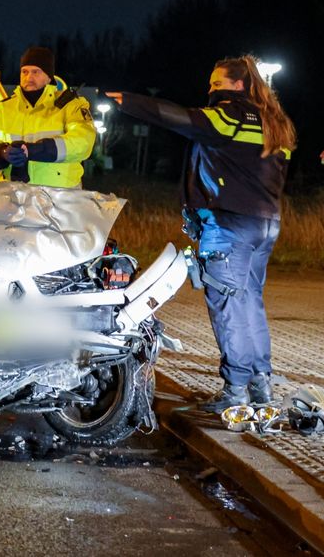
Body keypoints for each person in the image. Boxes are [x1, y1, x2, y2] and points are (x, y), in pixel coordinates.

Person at [106, 55, 296, 413]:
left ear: (239, 85)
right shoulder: (275, 124)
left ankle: (235, 392)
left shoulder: (230, 116)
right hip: (265, 224)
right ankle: (260, 386)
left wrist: (128, 101)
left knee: (228, 305)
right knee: (249, 302)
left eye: (217, 83)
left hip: (229, 226)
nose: (211, 89)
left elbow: (179, 118)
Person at [0, 46, 96, 188]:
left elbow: (83, 142)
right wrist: (1, 153)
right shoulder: (5, 108)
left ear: (49, 76)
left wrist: (38, 150)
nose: (29, 78)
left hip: (59, 199)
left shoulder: (69, 105)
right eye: (24, 72)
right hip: (13, 198)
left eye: (35, 72)